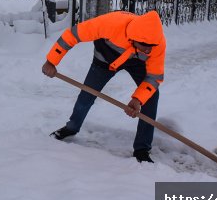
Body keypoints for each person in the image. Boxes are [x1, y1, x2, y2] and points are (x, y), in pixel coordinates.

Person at [41, 10, 166, 163]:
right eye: (144, 45)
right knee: (87, 94)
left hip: (137, 63)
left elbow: (154, 77)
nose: (148, 50)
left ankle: (142, 149)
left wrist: (138, 100)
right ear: (133, 38)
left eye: (151, 46)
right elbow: (72, 35)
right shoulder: (110, 23)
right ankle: (71, 127)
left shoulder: (157, 42)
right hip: (105, 58)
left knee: (152, 96)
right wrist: (51, 61)